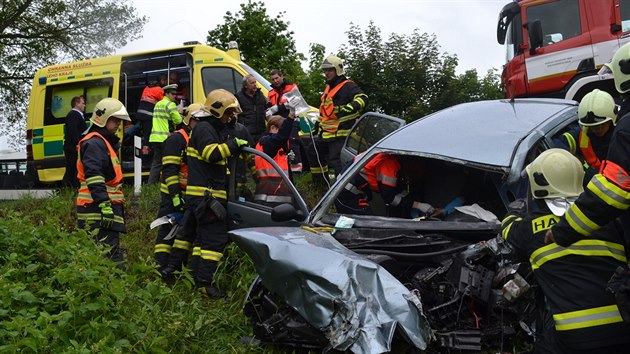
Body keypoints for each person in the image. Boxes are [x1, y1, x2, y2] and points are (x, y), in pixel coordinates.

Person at [501, 148, 630, 353]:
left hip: (575, 338)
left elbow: (507, 228)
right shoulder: (608, 219)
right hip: (625, 329)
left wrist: (516, 211)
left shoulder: (528, 230)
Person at [181, 89, 248, 298]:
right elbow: (211, 154)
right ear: (217, 111)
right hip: (206, 196)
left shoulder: (210, 129)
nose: (230, 117)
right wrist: (233, 145)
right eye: (228, 113)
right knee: (215, 240)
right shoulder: (204, 129)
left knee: (202, 240)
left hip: (205, 195)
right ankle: (205, 285)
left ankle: (194, 280)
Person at [76, 98, 131, 264]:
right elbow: (94, 175)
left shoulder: (102, 142)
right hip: (97, 209)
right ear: (104, 119)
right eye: (115, 121)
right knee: (107, 257)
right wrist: (104, 203)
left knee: (103, 256)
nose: (118, 126)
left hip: (100, 209)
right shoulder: (95, 143)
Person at [153, 103, 202, 270]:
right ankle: (159, 266)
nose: (201, 124)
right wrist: (175, 196)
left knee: (183, 233)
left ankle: (176, 268)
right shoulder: (176, 139)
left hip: (188, 195)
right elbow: (169, 170)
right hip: (171, 196)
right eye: (198, 120)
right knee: (166, 231)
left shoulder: (196, 139)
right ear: (190, 120)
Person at [308, 55, 368, 185]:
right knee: (313, 150)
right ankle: (320, 185)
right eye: (325, 71)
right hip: (326, 133)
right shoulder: (328, 88)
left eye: (329, 70)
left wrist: (351, 106)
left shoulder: (348, 86)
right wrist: (317, 124)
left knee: (336, 161)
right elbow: (324, 110)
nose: (326, 73)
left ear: (337, 70)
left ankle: (342, 193)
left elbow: (363, 98)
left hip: (342, 134)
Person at [557, 89, 616, 183]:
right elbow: (557, 145)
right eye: (594, 126)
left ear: (612, 120)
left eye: (602, 124)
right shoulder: (582, 134)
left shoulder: (622, 136)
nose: (598, 129)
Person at [268, 69, 305, 175]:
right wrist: (269, 109)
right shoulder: (271, 92)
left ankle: (297, 172)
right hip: (279, 122)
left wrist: (278, 107)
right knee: (280, 145)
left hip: (292, 120)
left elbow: (296, 102)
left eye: (277, 78)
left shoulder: (291, 87)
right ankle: (284, 169)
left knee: (293, 144)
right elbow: (269, 105)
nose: (275, 81)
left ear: (282, 76)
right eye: (273, 79)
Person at [254, 115, 294, 207]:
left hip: (278, 198)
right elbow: (280, 137)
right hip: (269, 200)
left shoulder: (278, 147)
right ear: (273, 128)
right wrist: (290, 117)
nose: (286, 136)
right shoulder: (266, 143)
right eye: (282, 130)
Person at [148, 84, 183, 184]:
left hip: (155, 137)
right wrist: (179, 112)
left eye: (175, 94)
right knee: (168, 162)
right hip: (165, 138)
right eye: (172, 94)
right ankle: (166, 183)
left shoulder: (158, 104)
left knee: (156, 163)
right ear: (166, 94)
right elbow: (178, 120)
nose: (174, 96)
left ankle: (151, 184)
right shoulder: (170, 104)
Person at [136, 78, 164, 167]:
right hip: (148, 117)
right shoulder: (159, 90)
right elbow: (164, 102)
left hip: (141, 115)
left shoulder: (147, 88)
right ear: (161, 81)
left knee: (146, 139)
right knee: (149, 139)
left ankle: (144, 157)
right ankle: (147, 159)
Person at [63, 96, 86, 188]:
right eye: (83, 103)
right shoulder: (73, 115)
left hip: (73, 146)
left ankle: (70, 188)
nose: (84, 105)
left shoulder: (77, 115)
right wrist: (77, 143)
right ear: (77, 104)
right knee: (72, 168)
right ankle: (66, 188)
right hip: (73, 147)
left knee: (74, 169)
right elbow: (74, 131)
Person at [235, 74, 267, 142]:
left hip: (261, 133)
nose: (255, 84)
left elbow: (266, 111)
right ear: (246, 85)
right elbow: (236, 115)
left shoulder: (260, 95)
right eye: (252, 83)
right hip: (247, 133)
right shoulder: (238, 97)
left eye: (255, 82)